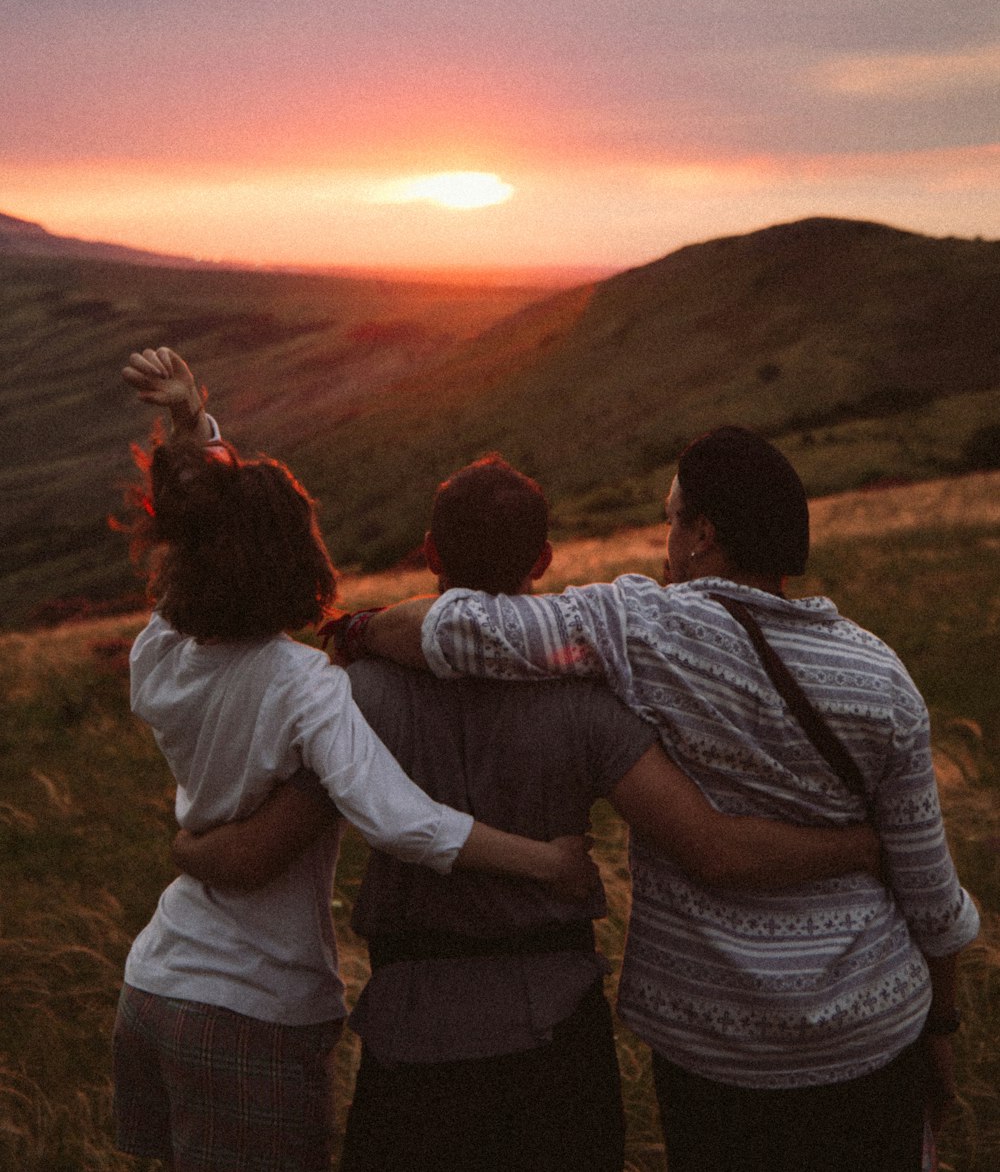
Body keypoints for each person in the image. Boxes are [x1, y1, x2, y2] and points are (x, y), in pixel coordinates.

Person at [175, 447, 881, 1172]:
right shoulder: (588, 702)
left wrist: (184, 849)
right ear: (542, 561)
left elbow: (259, 853)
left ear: (428, 552)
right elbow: (713, 848)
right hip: (557, 1048)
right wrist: (858, 846)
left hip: (411, 1041)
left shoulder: (359, 697)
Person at [349, 426, 979, 1172]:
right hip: (873, 1025)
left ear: (703, 535)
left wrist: (355, 626)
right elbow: (933, 898)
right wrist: (938, 1027)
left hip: (715, 1039)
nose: (664, 536)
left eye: (671, 517)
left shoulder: (642, 627)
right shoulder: (882, 675)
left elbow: (455, 627)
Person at [112, 349, 598, 1172]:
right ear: (299, 555)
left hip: (153, 987)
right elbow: (399, 819)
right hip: (253, 1003)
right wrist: (547, 862)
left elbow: (195, 527)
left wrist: (194, 427)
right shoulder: (304, 685)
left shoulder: (157, 651)